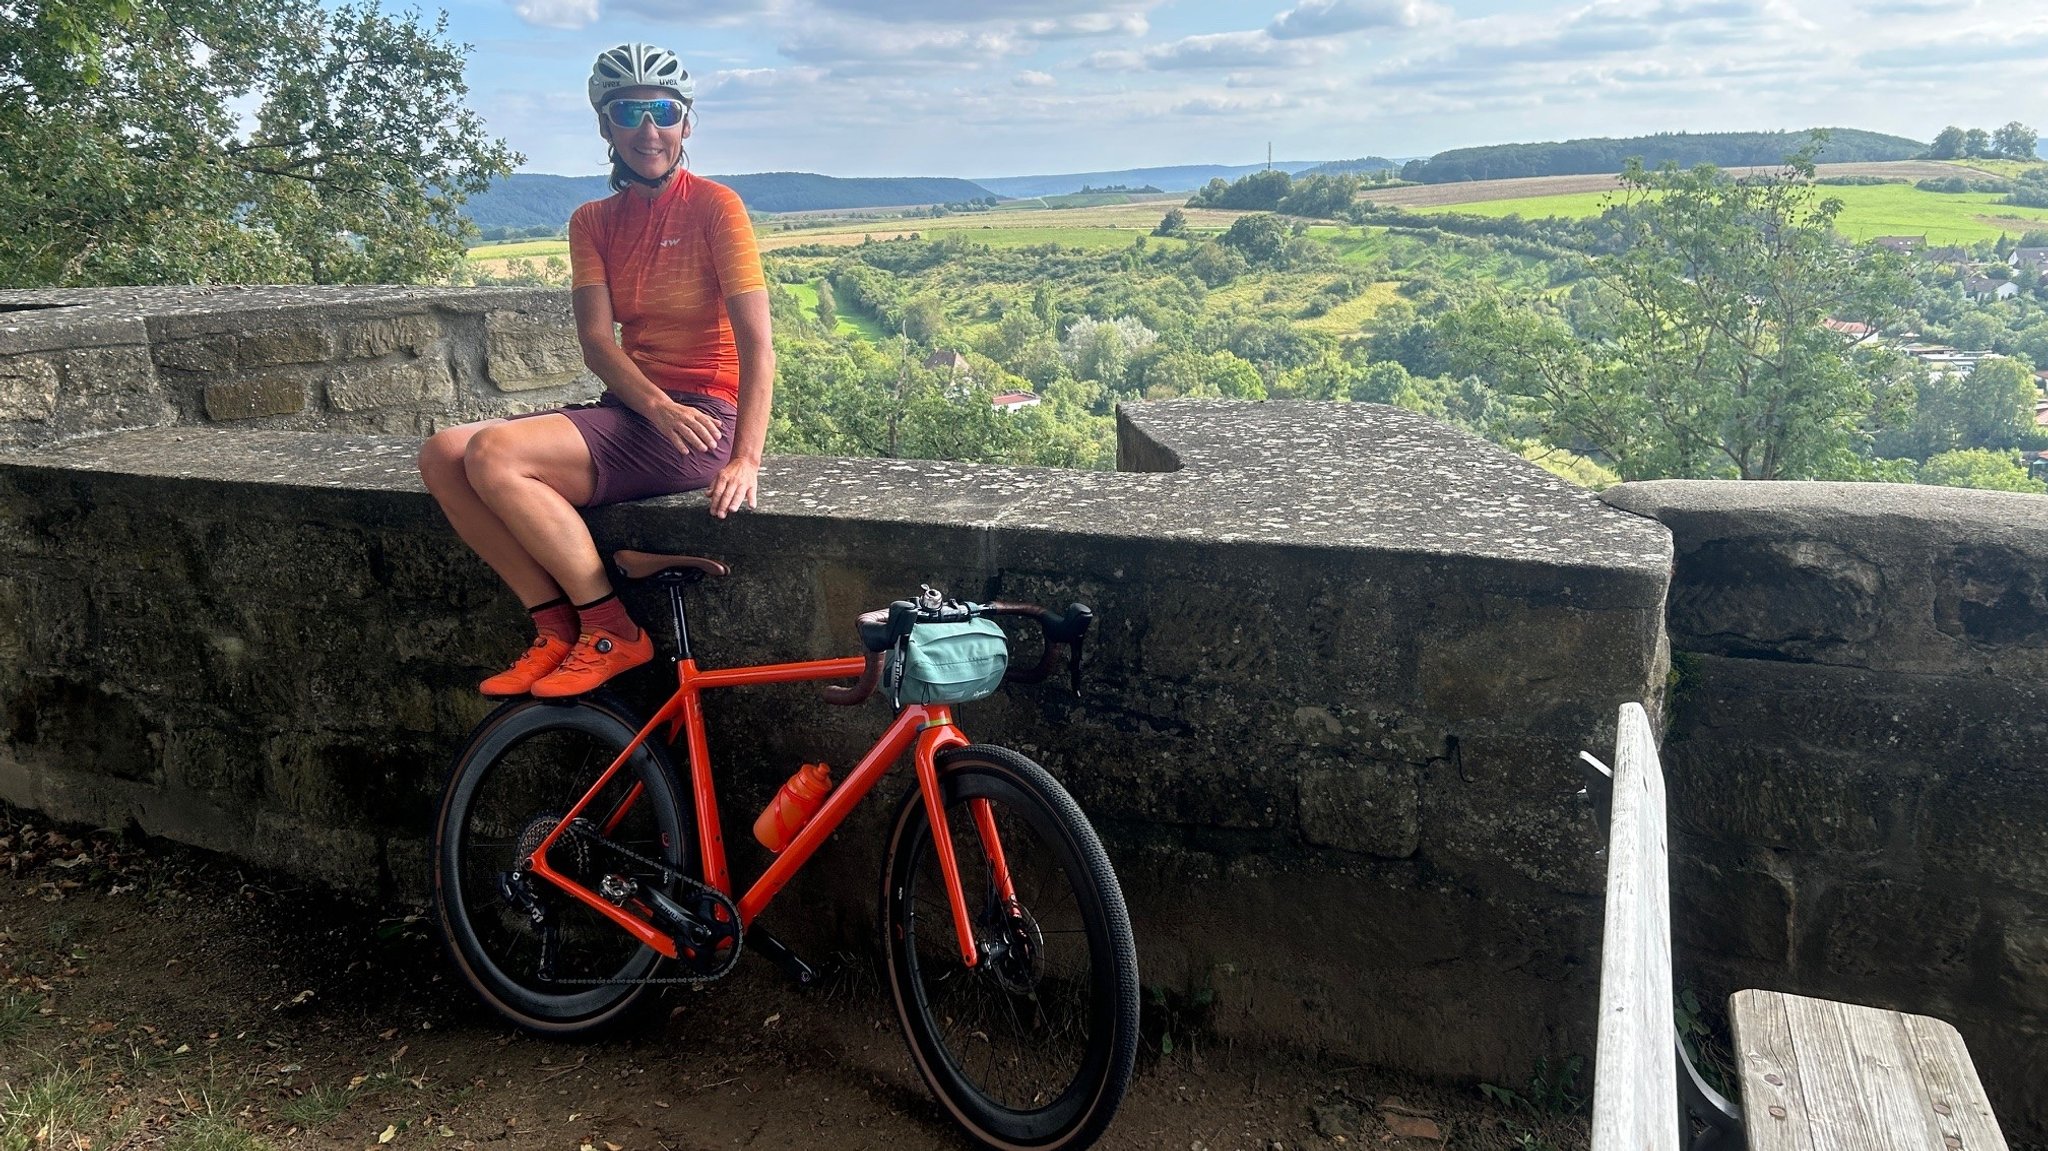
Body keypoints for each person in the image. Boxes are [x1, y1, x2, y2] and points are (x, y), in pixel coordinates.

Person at [419, 42, 772, 699]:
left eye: (664, 110)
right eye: (629, 111)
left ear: (686, 123)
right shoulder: (592, 221)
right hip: (639, 411)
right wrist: (654, 405)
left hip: (703, 420)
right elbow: (595, 340)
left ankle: (610, 628)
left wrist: (745, 458)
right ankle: (555, 628)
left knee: (495, 454)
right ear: (606, 125)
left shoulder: (717, 208)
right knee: (443, 455)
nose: (649, 129)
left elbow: (758, 346)